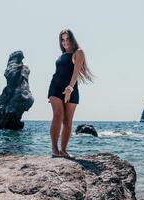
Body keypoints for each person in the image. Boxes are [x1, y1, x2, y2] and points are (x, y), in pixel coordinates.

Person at [48, 29, 94, 159]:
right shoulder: (61, 55)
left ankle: (63, 150)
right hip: (56, 87)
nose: (65, 42)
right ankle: (54, 149)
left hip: (71, 88)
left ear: (72, 39)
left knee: (68, 121)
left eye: (67, 39)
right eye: (62, 40)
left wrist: (69, 88)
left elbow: (75, 72)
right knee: (58, 115)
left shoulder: (78, 53)